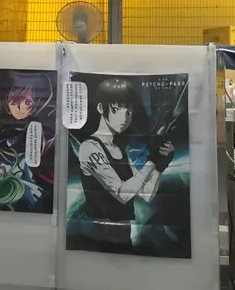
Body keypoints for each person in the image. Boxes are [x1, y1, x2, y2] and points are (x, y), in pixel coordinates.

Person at [71, 77, 174, 254]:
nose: (124, 118)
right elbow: (122, 194)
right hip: (98, 241)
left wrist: (160, 165)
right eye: (116, 109)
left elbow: (146, 193)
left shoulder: (120, 150)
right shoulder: (89, 148)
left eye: (129, 112)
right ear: (101, 108)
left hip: (123, 239)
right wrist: (152, 161)